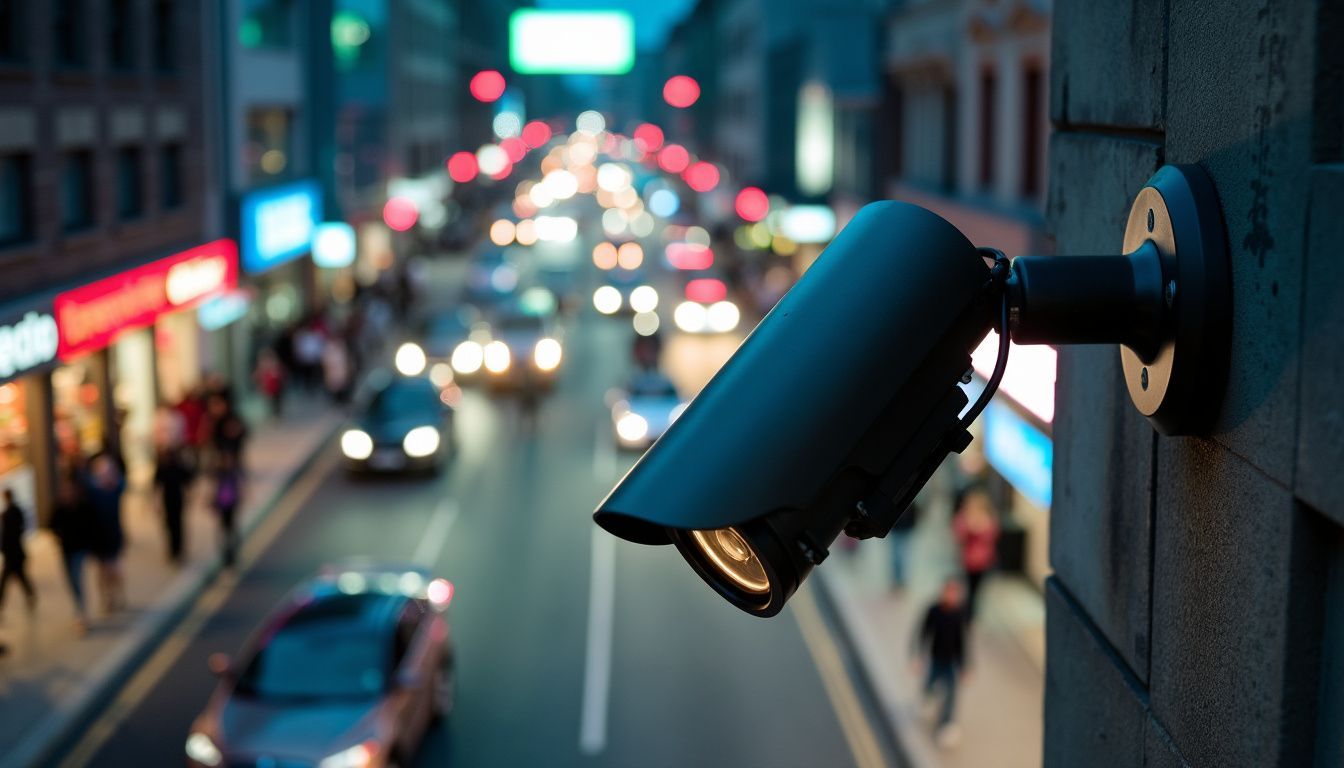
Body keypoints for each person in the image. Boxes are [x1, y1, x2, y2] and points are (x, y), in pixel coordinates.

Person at [917, 578, 970, 747]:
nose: (951, 597)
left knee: (952, 693)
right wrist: (918, 656)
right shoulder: (934, 611)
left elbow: (962, 642)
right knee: (931, 682)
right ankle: (927, 695)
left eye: (955, 594)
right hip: (936, 658)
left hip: (951, 662)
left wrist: (964, 666)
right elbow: (924, 632)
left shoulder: (959, 615)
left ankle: (946, 724)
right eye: (949, 592)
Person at [50, 454, 92, 633]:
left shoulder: (81, 506)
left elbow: (91, 525)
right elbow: (51, 524)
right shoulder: (59, 507)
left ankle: (80, 612)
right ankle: (79, 610)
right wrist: (58, 536)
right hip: (66, 550)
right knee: (70, 579)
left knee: (76, 578)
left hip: (78, 549)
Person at [86, 453, 127, 614]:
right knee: (102, 571)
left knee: (113, 568)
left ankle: (118, 594)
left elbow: (122, 483)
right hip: (99, 537)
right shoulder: (93, 492)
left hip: (113, 535)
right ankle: (106, 599)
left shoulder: (115, 489)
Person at [951, 487, 1000, 620]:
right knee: (968, 587)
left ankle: (970, 611)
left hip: (982, 561)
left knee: (975, 588)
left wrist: (980, 528)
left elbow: (992, 536)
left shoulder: (988, 518)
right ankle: (968, 610)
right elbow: (958, 533)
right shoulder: (964, 517)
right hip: (968, 560)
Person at [154, 445, 194, 564]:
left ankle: (178, 550)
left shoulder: (178, 467)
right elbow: (157, 486)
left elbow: (187, 483)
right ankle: (173, 550)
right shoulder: (162, 467)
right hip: (169, 500)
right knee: (170, 525)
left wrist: (189, 497)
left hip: (177, 499)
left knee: (178, 526)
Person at [0, 489, 36, 615]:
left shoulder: (8, 514)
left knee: (7, 580)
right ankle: (31, 595)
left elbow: (7, 535)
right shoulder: (15, 511)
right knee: (20, 577)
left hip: (12, 553)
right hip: (16, 552)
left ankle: (30, 595)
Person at [213, 452, 242, 568]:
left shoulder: (233, 474)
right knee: (224, 533)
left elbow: (239, 489)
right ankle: (227, 558)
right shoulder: (220, 474)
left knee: (231, 532)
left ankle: (232, 557)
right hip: (223, 507)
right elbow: (215, 491)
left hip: (231, 507)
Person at [889, 500, 920, 591]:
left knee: (901, 555)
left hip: (906, 527)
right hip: (897, 528)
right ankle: (898, 579)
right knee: (898, 555)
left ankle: (899, 579)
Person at [253, 350, 286, 418]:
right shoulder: (262, 367)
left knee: (276, 402)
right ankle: (272, 414)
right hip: (268, 388)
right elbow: (256, 376)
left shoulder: (276, 365)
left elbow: (282, 375)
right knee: (269, 402)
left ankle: (276, 414)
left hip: (276, 387)